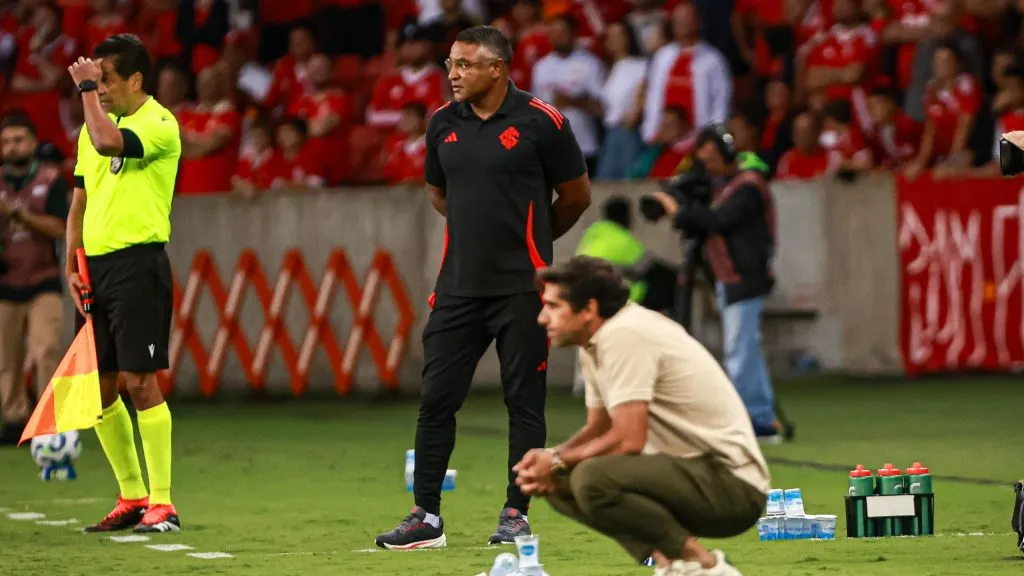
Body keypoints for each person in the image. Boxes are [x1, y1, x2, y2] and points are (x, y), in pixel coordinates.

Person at [374, 25, 592, 549]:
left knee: (524, 405)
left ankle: (515, 513)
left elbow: (577, 196)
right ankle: (425, 516)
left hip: (523, 290)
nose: (453, 73)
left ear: (498, 68)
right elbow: (438, 193)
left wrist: (533, 243)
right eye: (450, 64)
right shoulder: (441, 124)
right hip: (457, 289)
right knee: (436, 400)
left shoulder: (544, 121)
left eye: (465, 65)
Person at [513, 255, 769, 576]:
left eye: (552, 306)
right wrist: (551, 458)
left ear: (589, 309)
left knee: (591, 479)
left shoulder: (625, 334)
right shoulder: (596, 339)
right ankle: (671, 565)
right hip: (691, 473)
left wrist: (557, 460)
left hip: (732, 487)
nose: (541, 318)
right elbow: (599, 427)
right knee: (556, 480)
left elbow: (629, 439)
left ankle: (706, 566)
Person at [66, 34, 181, 533]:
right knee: (101, 387)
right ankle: (131, 496)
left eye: (107, 79)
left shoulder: (160, 124)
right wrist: (73, 265)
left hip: (138, 265)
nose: (101, 89)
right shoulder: (90, 130)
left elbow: (110, 143)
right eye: (97, 80)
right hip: (96, 270)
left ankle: (163, 502)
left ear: (136, 80)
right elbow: (78, 204)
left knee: (140, 381)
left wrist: (85, 89)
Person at [650, 124, 784, 443]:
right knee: (747, 350)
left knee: (739, 352)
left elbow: (718, 222)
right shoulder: (727, 187)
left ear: (727, 154)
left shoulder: (747, 187)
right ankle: (762, 418)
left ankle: (741, 424)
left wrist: (677, 209)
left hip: (745, 276)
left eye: (711, 159)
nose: (707, 167)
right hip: (731, 277)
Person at [0, 116, 68, 445]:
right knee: (6, 358)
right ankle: (14, 420)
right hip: (5, 280)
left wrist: (22, 215)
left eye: (18, 140)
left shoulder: (51, 180)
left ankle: (47, 423)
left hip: (43, 278)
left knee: (46, 351)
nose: (12, 146)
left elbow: (61, 228)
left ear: (32, 142)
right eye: (6, 141)